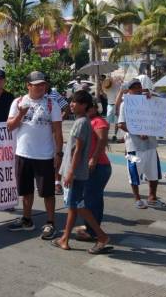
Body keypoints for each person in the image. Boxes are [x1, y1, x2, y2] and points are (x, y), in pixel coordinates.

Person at [6, 71, 63, 239]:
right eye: (36, 84)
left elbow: (58, 132)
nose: (40, 87)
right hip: (22, 153)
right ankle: (27, 219)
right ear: (28, 85)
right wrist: (21, 114)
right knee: (26, 190)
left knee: (47, 192)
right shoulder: (18, 102)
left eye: (43, 84)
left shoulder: (52, 104)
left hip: (44, 156)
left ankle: (51, 223)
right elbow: (10, 126)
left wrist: (58, 153)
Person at [52, 90, 111, 253]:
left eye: (75, 102)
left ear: (84, 105)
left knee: (77, 205)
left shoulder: (81, 123)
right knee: (74, 206)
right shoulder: (82, 121)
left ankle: (101, 235)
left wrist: (70, 172)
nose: (71, 104)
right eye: (71, 101)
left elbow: (78, 150)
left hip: (77, 172)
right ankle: (65, 238)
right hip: (77, 171)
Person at [117, 78, 166, 209]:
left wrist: (152, 96)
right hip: (134, 146)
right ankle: (138, 199)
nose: (137, 89)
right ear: (129, 90)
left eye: (139, 87)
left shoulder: (148, 100)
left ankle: (152, 197)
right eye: (134, 87)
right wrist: (138, 133)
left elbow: (162, 102)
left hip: (151, 144)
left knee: (154, 173)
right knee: (134, 174)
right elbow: (121, 124)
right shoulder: (125, 104)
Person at [75, 100, 112, 242]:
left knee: (92, 199)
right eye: (87, 108)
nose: (88, 110)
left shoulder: (97, 121)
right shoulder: (86, 121)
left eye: (91, 108)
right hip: (92, 166)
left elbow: (102, 140)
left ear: (95, 109)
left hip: (98, 166)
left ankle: (92, 231)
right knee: (92, 198)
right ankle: (91, 227)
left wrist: (94, 159)